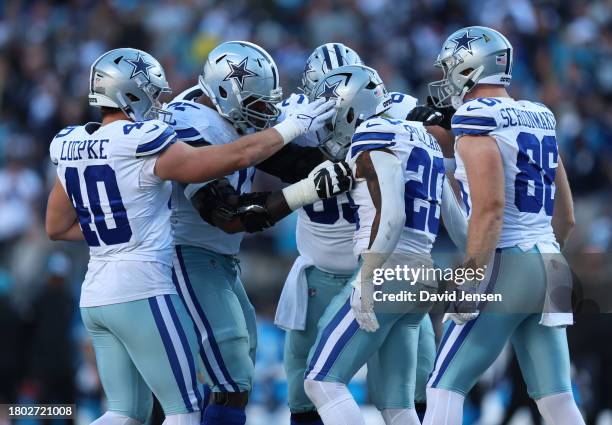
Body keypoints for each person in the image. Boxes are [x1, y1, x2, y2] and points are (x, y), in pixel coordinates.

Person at [45, 47, 337, 425]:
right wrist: (295, 136)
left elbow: (55, 226)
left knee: (125, 413)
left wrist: (119, 223)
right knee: (188, 408)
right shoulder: (148, 138)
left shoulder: (72, 143)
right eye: (153, 92)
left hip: (97, 290)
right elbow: (231, 188)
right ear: (132, 94)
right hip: (149, 283)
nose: (161, 103)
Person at [162, 40, 353, 425]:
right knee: (229, 378)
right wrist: (307, 190)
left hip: (216, 259)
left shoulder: (228, 116)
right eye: (257, 103)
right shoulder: (190, 125)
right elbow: (228, 213)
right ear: (221, 94)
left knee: (235, 368)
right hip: (185, 253)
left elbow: (295, 162)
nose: (266, 113)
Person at [422, 26, 582, 425]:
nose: (445, 79)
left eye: (449, 69)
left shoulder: (476, 119)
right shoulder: (539, 115)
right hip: (551, 261)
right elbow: (567, 214)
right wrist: (544, 257)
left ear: (468, 68)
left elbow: (490, 209)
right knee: (557, 398)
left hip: (507, 261)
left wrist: (471, 275)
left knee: (443, 386)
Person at [302, 64, 445, 425]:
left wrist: (367, 276)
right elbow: (456, 218)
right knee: (397, 404)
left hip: (387, 269)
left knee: (321, 382)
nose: (331, 126)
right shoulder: (423, 137)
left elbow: (392, 214)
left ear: (352, 108)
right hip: (422, 270)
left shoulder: (372, 132)